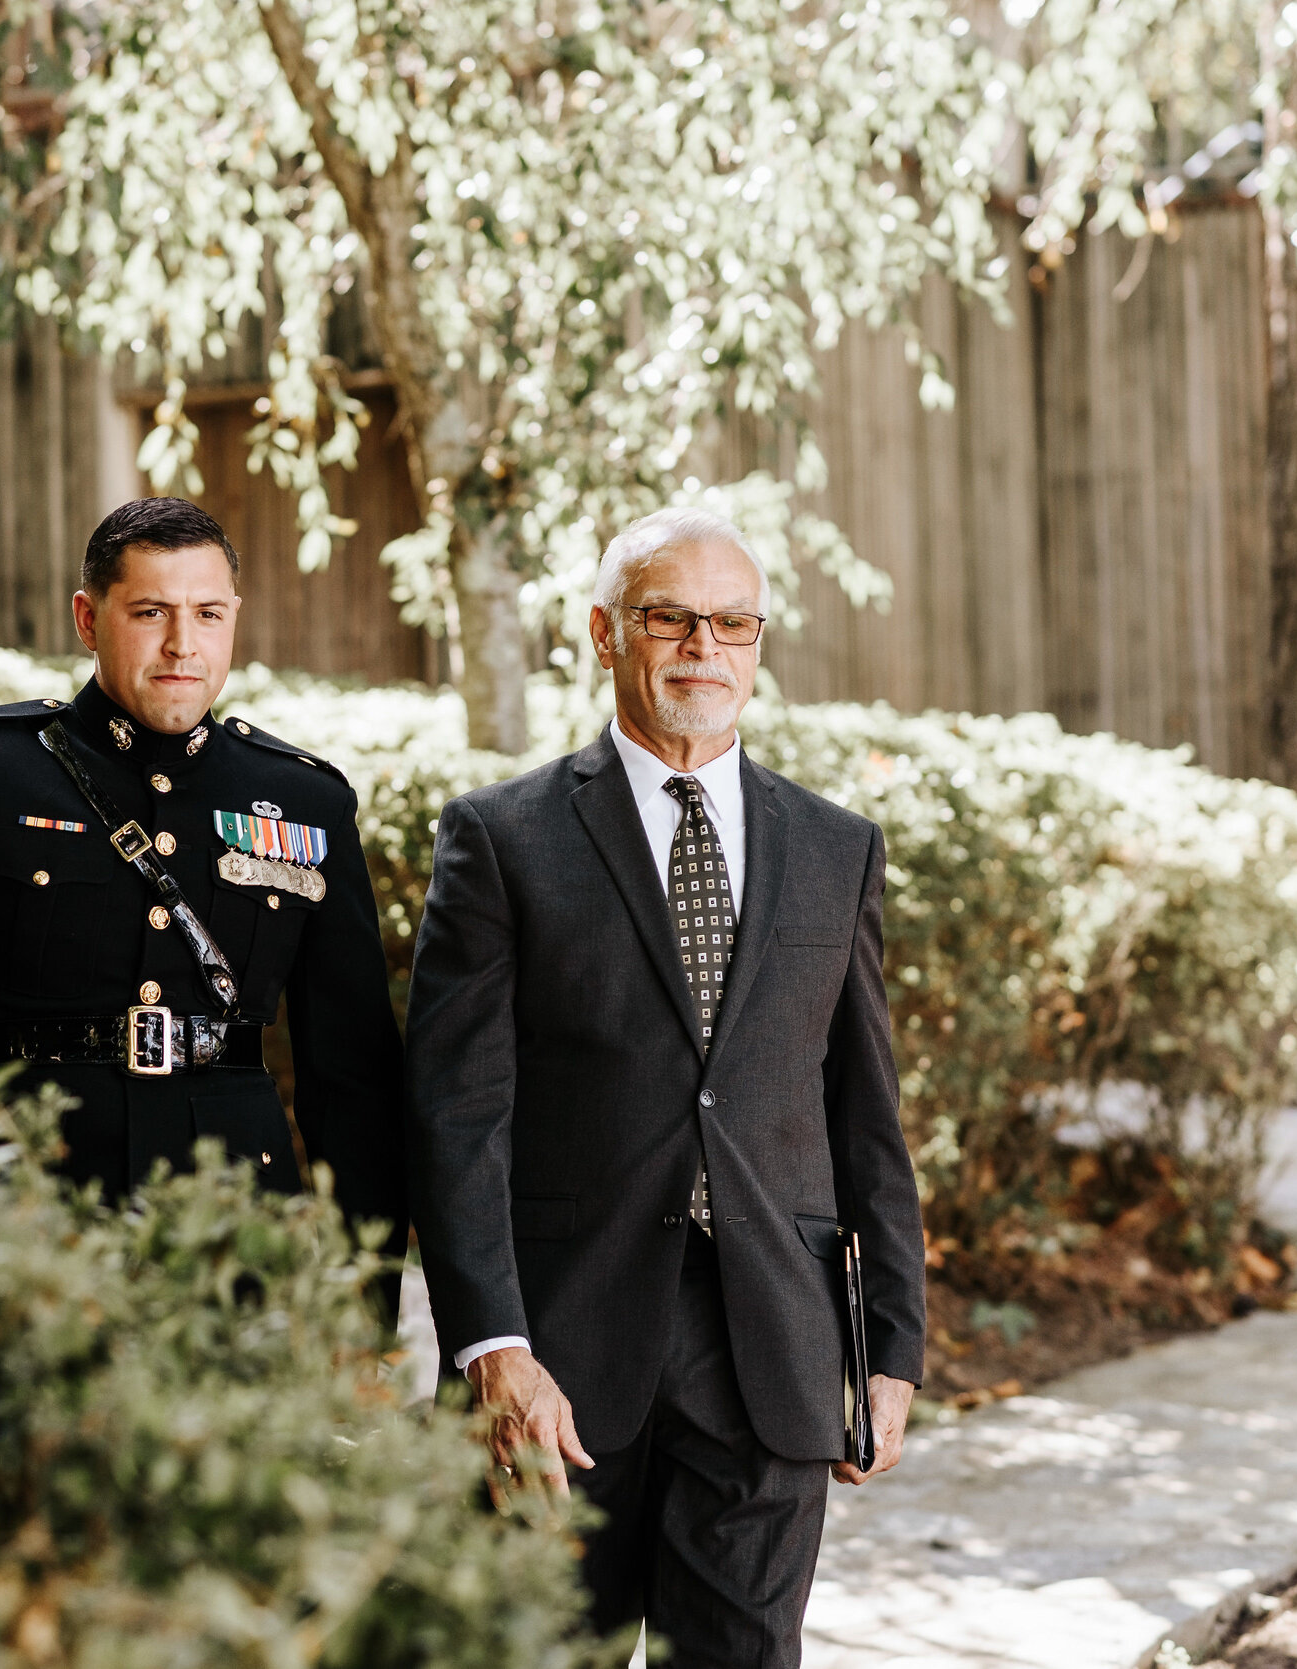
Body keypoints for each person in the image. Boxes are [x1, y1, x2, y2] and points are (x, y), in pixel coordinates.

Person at [405, 507, 927, 1665]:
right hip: (558, 1352)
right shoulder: (501, 837)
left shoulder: (836, 847)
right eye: (669, 618)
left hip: (771, 1351)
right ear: (604, 633)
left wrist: (890, 1343)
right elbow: (457, 1117)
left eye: (732, 622)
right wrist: (491, 1346)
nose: (703, 647)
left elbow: (865, 1112)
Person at [0, 497, 407, 1238]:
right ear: (87, 618)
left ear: (234, 616)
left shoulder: (304, 800)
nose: (182, 644)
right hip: (24, 1204)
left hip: (236, 1225)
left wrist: (360, 1319)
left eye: (207, 614)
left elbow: (352, 1080)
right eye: (150, 613)